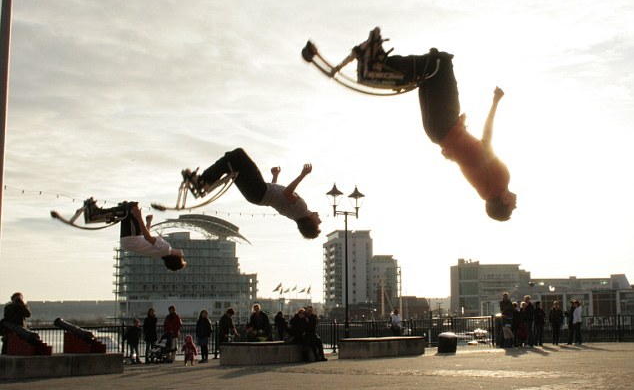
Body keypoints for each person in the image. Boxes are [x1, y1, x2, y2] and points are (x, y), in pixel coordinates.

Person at [344, 28, 517, 220]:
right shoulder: (485, 191)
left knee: (441, 63)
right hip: (437, 131)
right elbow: (467, 159)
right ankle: (376, 66)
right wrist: (455, 143)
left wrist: (495, 103)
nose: (516, 205)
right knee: (427, 75)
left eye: (512, 208)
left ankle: (375, 68)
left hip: (446, 124)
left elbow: (487, 140)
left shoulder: (501, 182)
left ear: (505, 202)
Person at [183, 148, 321, 238]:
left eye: (318, 223)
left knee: (238, 155)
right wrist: (275, 176)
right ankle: (204, 182)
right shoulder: (296, 216)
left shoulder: (301, 209)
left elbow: (286, 193)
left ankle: (203, 182)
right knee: (231, 160)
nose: (320, 219)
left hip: (259, 190)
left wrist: (303, 174)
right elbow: (277, 197)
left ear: (312, 224)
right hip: (257, 195)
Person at [84, 199, 186, 271]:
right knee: (126, 209)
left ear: (175, 258)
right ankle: (96, 212)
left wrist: (139, 216)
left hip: (132, 239)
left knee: (132, 208)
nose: (183, 255)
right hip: (130, 241)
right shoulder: (162, 252)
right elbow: (146, 238)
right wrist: (149, 222)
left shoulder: (166, 249)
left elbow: (147, 237)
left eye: (182, 258)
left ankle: (95, 215)